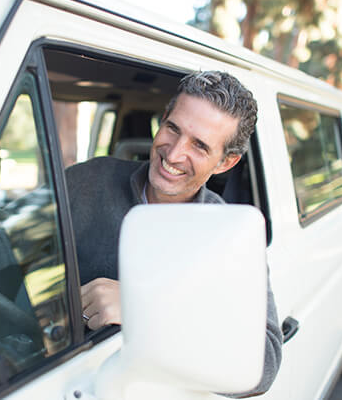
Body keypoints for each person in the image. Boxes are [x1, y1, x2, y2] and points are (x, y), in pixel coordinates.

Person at [65, 70, 282, 397]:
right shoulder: (86, 181)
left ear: (225, 162)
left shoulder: (229, 236)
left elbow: (264, 363)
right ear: (163, 118)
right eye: (172, 128)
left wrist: (144, 311)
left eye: (199, 145)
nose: (174, 153)